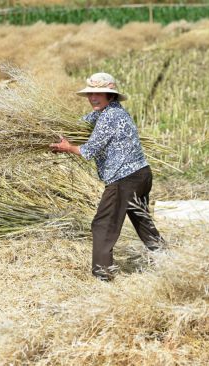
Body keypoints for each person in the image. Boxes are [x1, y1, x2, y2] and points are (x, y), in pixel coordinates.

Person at [50, 72, 164, 281]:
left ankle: (103, 275)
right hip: (141, 174)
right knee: (141, 219)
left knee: (102, 224)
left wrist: (67, 148)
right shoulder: (109, 112)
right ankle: (166, 259)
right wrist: (55, 130)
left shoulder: (109, 116)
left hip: (124, 178)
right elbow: (81, 124)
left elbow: (89, 150)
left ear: (110, 95)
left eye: (98, 94)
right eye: (90, 94)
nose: (93, 98)